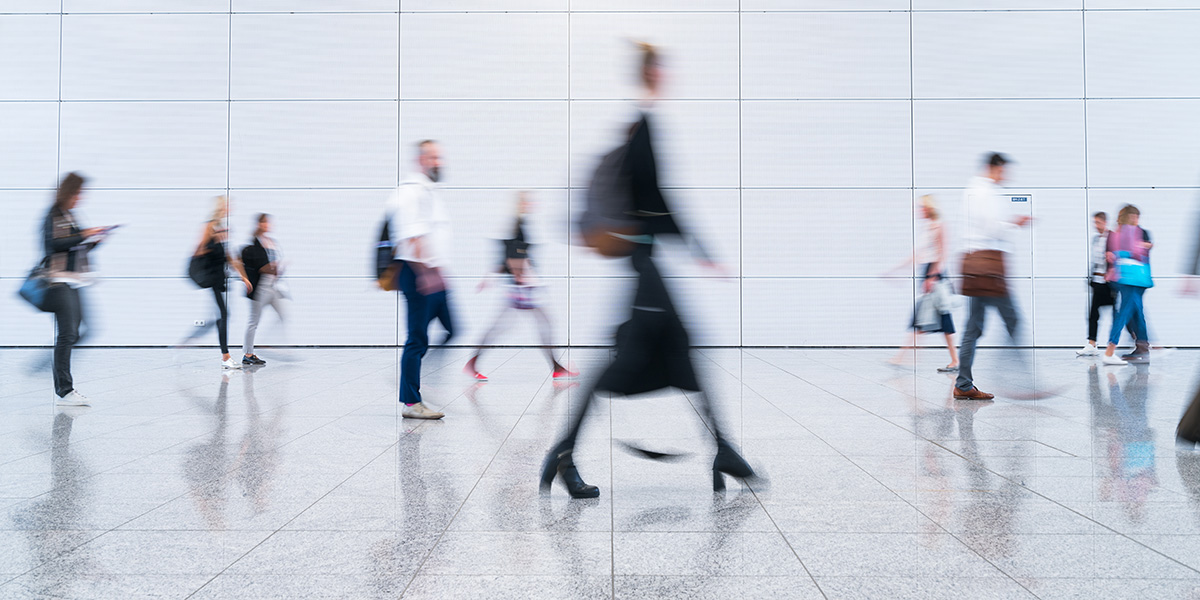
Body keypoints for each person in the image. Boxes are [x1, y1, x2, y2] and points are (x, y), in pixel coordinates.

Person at [540, 42, 755, 499]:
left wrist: (693, 245)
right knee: (626, 363)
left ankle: (723, 449)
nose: (668, 74)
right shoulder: (645, 126)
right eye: (663, 67)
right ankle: (563, 453)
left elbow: (655, 200)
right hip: (645, 263)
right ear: (652, 72)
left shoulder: (644, 123)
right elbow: (655, 199)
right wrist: (699, 247)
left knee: (683, 349)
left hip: (648, 262)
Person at [464, 191, 576, 381]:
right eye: (527, 201)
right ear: (521, 204)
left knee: (509, 326)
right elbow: (511, 254)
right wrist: (519, 276)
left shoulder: (519, 224)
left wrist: (492, 276)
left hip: (521, 285)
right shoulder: (518, 225)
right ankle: (556, 367)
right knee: (540, 325)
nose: (531, 204)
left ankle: (556, 367)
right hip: (521, 287)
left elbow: (506, 254)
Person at [953, 152, 1033, 401]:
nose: (1005, 176)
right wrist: (1015, 223)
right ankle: (1020, 381)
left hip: (977, 268)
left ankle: (963, 384)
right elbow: (991, 227)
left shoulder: (972, 189)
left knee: (973, 327)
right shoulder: (984, 192)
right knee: (1012, 320)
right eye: (1002, 171)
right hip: (989, 268)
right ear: (993, 168)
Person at [388, 140, 456, 420]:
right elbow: (412, 237)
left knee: (453, 328)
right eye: (432, 157)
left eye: (440, 157)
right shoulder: (411, 192)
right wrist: (427, 274)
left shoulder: (429, 191)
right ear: (420, 160)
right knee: (417, 338)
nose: (438, 162)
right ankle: (411, 400)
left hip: (432, 273)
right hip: (418, 273)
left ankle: (412, 374)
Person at [41, 172, 115, 406]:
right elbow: (53, 245)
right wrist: (84, 234)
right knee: (67, 334)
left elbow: (76, 247)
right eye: (77, 193)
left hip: (73, 280)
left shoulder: (68, 215)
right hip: (57, 281)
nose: (80, 198)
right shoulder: (52, 215)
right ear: (68, 193)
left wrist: (94, 241)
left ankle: (53, 366)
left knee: (82, 330)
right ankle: (65, 391)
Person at [888, 195, 959, 373]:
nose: (918, 211)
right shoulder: (927, 227)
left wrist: (932, 277)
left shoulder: (939, 225)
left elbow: (943, 254)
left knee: (932, 318)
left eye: (921, 207)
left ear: (929, 208)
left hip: (935, 275)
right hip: (927, 273)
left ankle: (903, 357)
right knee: (931, 319)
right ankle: (906, 357)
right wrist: (895, 270)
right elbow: (917, 255)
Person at [186, 196, 252, 370]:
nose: (230, 208)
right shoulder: (210, 226)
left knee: (222, 314)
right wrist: (214, 240)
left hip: (216, 277)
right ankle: (225, 356)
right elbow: (199, 250)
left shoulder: (220, 227)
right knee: (223, 314)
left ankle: (219, 352)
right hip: (210, 275)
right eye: (227, 205)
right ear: (221, 207)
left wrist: (243, 277)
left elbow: (230, 257)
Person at [1102, 205, 1152, 366]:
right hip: (1127, 278)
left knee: (1135, 311)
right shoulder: (1123, 233)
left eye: (1136, 216)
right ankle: (1111, 350)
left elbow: (1126, 253)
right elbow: (1132, 252)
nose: (1135, 220)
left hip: (1136, 279)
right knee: (1125, 312)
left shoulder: (1137, 232)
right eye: (1133, 216)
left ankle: (1143, 348)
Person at [240, 213, 287, 366]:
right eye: (266, 222)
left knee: (282, 315)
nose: (268, 225)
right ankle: (248, 354)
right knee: (253, 321)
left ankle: (265, 343)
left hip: (272, 286)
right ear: (260, 224)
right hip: (260, 288)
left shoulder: (271, 242)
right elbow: (261, 267)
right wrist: (274, 267)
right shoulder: (255, 244)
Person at [1079, 212, 1115, 356]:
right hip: (1097, 282)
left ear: (1105, 222)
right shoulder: (1096, 239)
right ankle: (1092, 344)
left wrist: (1111, 273)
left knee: (1121, 316)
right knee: (1093, 314)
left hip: (1110, 283)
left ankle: (1139, 341)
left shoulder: (1112, 237)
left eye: (1098, 223)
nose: (1096, 226)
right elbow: (1095, 260)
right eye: (1095, 223)